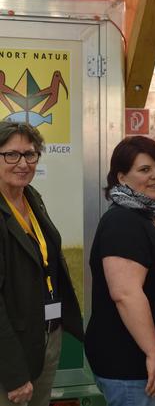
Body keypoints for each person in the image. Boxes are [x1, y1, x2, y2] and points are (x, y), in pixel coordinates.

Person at [84, 136, 155, 406]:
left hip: (148, 361)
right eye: (145, 170)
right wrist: (153, 353)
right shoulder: (122, 221)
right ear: (122, 177)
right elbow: (126, 294)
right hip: (131, 364)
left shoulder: (153, 214)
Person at [0, 122, 83, 406]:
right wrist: (13, 373)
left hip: (45, 334)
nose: (23, 163)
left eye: (30, 154)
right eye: (11, 155)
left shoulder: (32, 198)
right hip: (11, 351)